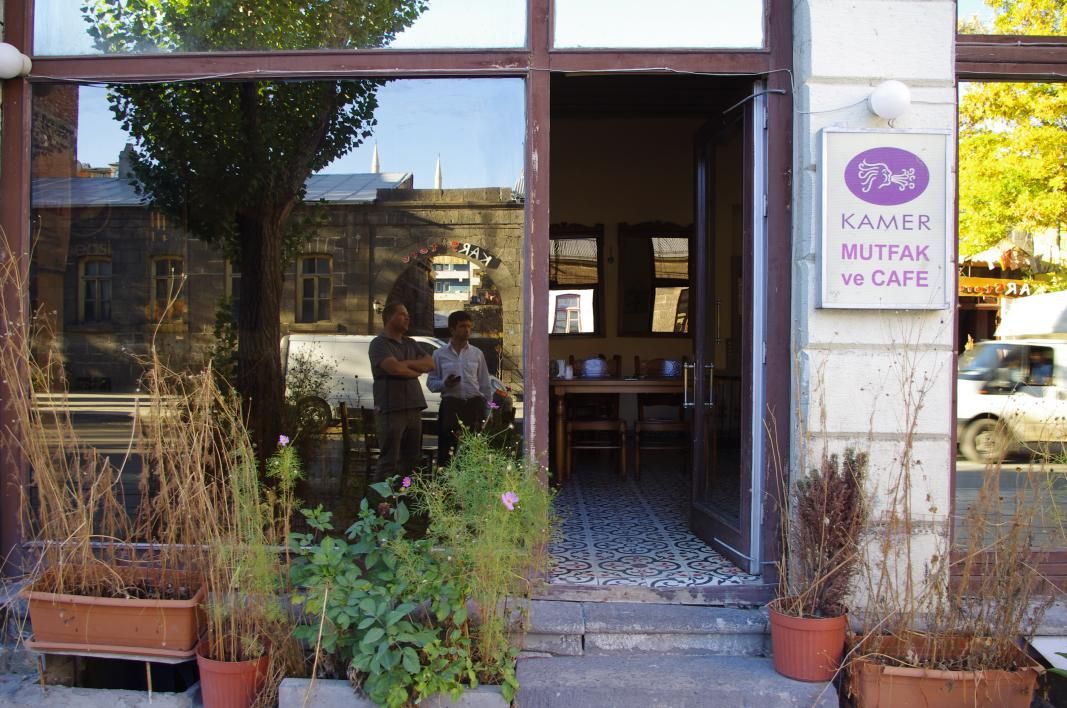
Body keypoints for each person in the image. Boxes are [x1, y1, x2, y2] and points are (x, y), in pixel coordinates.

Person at [368, 302, 435, 483]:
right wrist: (413, 369)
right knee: (389, 460)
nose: (408, 317)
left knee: (412, 460)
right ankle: (379, 505)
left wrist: (404, 365)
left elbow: (430, 363)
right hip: (391, 408)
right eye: (402, 314)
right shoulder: (379, 344)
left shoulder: (411, 343)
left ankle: (405, 502)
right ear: (389, 317)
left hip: (414, 407)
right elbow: (394, 369)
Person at [427, 310, 494, 466]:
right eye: (463, 326)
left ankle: (471, 487)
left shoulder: (477, 354)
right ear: (452, 329)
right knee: (447, 451)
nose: (467, 330)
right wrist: (445, 384)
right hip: (451, 405)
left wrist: (488, 411)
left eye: (469, 327)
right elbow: (431, 383)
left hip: (473, 405)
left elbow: (485, 385)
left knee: (473, 452)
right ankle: (446, 488)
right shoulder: (439, 354)